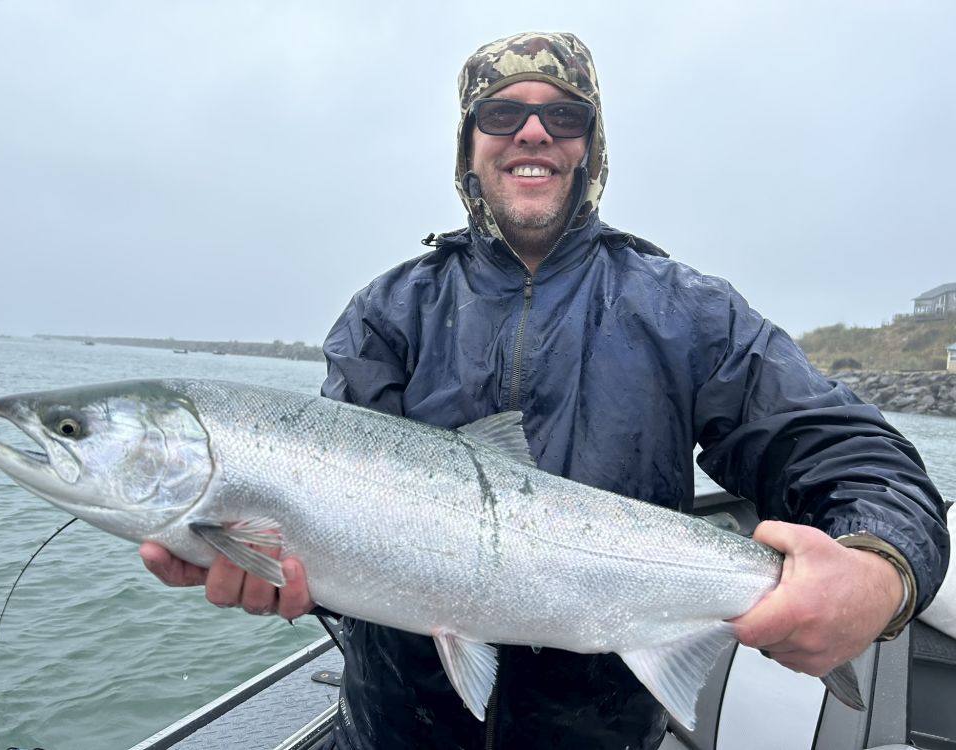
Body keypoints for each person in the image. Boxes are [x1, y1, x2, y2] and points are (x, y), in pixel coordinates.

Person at [140, 31, 949, 749]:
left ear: (591, 149)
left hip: (605, 732)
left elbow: (852, 452)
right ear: (468, 148)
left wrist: (881, 571)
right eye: (501, 115)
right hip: (397, 728)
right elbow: (339, 529)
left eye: (564, 116)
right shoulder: (387, 314)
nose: (533, 131)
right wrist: (261, 561)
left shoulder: (687, 310)